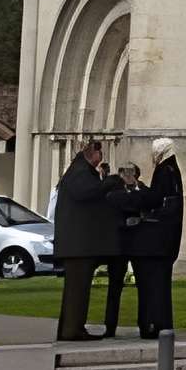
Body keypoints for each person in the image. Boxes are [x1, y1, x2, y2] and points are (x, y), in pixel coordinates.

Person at [51, 139, 126, 343]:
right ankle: (72, 329)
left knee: (76, 289)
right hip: (78, 245)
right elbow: (86, 193)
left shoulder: (78, 172)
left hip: (79, 244)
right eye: (99, 156)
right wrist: (108, 183)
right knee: (78, 290)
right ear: (92, 154)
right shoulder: (80, 173)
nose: (100, 160)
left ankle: (69, 327)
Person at [132, 138, 183, 339]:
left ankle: (154, 323)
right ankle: (162, 322)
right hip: (168, 238)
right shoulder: (173, 170)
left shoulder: (163, 171)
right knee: (161, 284)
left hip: (158, 238)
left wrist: (139, 191)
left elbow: (155, 198)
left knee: (155, 284)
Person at [102, 164, 145, 339]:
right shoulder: (113, 192)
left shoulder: (143, 190)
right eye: (124, 172)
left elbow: (149, 203)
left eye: (130, 172)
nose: (127, 175)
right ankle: (110, 326)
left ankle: (145, 324)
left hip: (138, 244)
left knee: (144, 286)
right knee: (114, 287)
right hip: (119, 245)